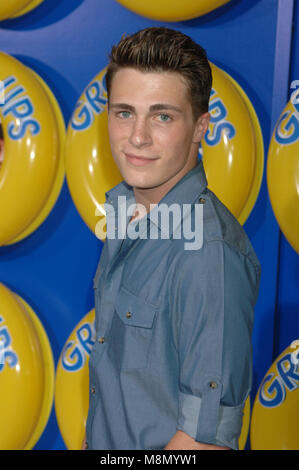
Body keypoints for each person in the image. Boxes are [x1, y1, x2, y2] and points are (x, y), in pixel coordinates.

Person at [84, 26, 261, 450]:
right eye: (124, 112)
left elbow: (204, 444)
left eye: (162, 115)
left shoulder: (208, 255)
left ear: (201, 127)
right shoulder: (127, 213)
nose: (138, 137)